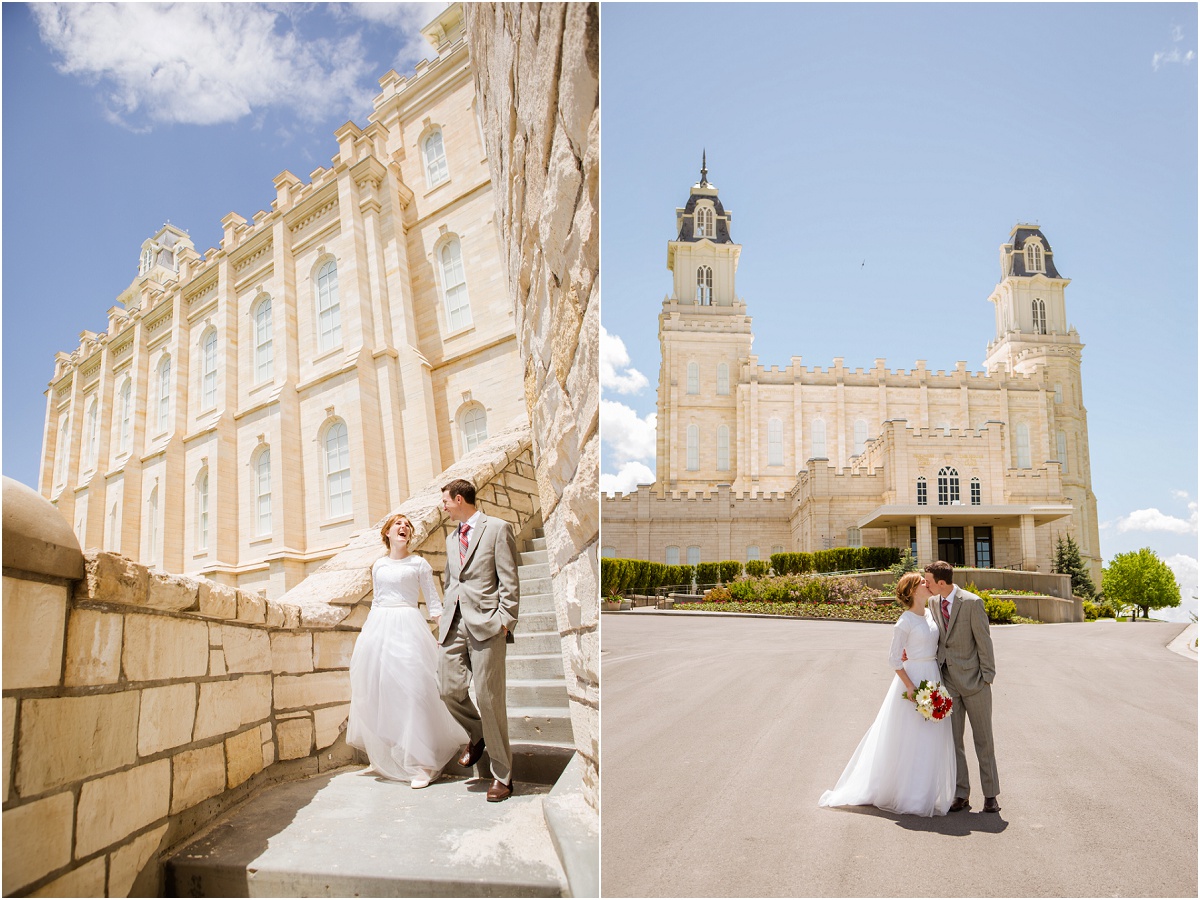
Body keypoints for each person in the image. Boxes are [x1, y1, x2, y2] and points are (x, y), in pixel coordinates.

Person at [819, 572, 957, 816]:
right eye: (922, 583)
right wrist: (910, 686)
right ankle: (908, 795)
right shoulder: (904, 621)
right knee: (909, 736)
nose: (927, 584)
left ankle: (924, 792)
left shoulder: (929, 613)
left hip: (933, 674)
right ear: (913, 590)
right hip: (914, 679)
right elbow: (893, 658)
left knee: (929, 736)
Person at [346, 513, 468, 789]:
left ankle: (422, 762)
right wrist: (367, 635)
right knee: (381, 692)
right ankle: (387, 755)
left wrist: (446, 629)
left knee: (413, 691)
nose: (404, 528)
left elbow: (434, 603)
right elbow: (377, 600)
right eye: (398, 524)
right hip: (379, 628)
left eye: (408, 526)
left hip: (408, 625)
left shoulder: (419, 563)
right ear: (387, 532)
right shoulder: (378, 565)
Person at [437, 478, 520, 802]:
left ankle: (502, 775)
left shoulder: (497, 529)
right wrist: (445, 616)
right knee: (448, 687)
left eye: (445, 500)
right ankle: (477, 733)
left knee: (489, 699)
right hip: (454, 624)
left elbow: (509, 577)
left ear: (459, 499)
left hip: (488, 624)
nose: (442, 506)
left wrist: (505, 620)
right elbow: (450, 581)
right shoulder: (449, 539)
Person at [924, 560, 1001, 813]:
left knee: (983, 740)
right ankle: (961, 793)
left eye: (929, 581)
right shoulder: (933, 603)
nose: (926, 584)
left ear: (942, 583)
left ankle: (990, 795)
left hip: (976, 683)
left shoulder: (972, 603)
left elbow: (984, 642)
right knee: (954, 741)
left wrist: (987, 677)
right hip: (949, 684)